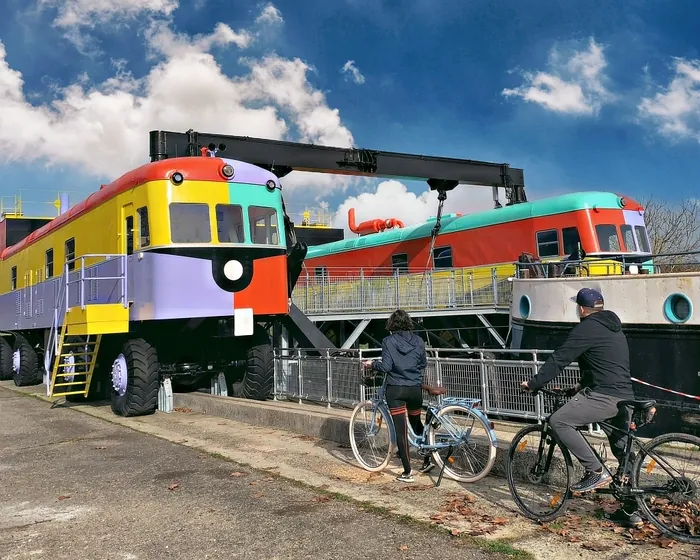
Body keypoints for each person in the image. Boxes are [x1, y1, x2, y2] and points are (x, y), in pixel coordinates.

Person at [520, 287, 643, 527]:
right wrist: (579, 387)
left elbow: (560, 358)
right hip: (624, 397)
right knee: (623, 452)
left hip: (604, 398)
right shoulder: (613, 328)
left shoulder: (587, 327)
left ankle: (595, 471)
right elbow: (602, 363)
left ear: (582, 309)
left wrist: (534, 383)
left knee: (559, 421)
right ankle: (632, 511)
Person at [363, 309, 433, 483]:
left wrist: (373, 363)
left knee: (400, 431)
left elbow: (386, 367)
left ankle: (407, 472)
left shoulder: (388, 341)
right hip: (415, 389)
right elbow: (423, 363)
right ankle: (427, 460)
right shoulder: (418, 340)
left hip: (396, 390)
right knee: (417, 424)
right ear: (408, 322)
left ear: (391, 324)